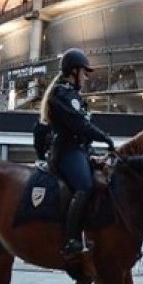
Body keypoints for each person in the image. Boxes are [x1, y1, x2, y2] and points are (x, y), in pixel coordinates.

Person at [44, 48, 115, 260]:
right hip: (66, 151)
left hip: (78, 150)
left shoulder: (73, 96)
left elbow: (83, 133)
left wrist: (93, 153)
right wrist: (106, 138)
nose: (85, 77)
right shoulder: (62, 94)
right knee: (84, 186)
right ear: (73, 71)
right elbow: (79, 125)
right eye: (84, 73)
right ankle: (70, 240)